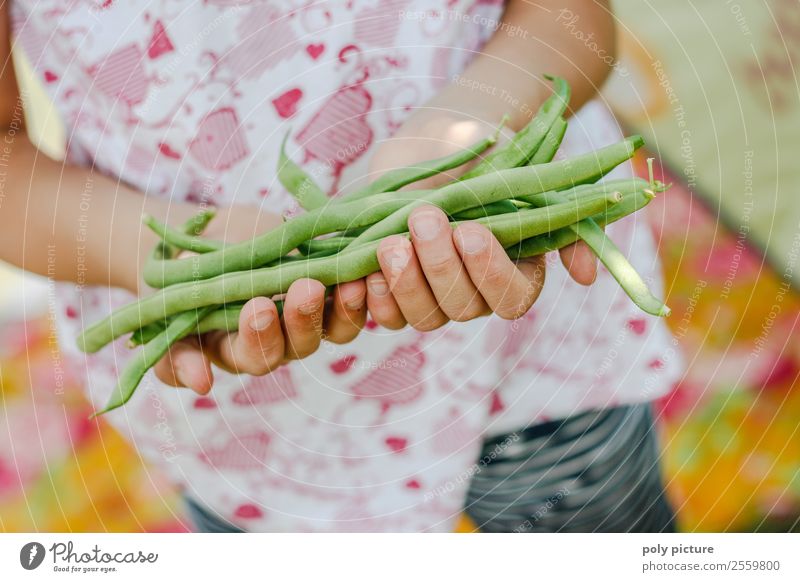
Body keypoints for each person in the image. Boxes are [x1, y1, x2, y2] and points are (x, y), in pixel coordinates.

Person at [0, 0, 681, 532]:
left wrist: (465, 140)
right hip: (254, 422)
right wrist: (162, 253)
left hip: (532, 354)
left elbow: (571, 19)